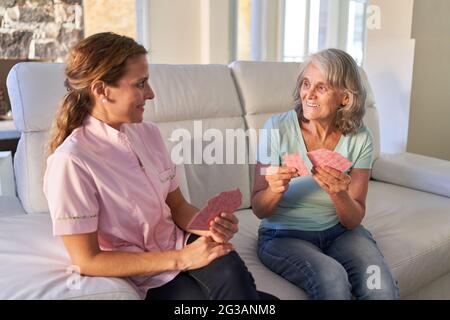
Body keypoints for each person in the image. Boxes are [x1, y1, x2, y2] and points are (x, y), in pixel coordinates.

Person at [43, 32, 273, 300]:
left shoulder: (148, 134)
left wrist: (209, 225)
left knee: (231, 273)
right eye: (140, 84)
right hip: (143, 271)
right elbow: (87, 260)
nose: (150, 94)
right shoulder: (72, 161)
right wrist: (181, 259)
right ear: (101, 90)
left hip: (179, 242)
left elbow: (177, 207)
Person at [251, 48, 399, 300]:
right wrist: (275, 189)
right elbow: (259, 209)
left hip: (341, 231)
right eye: (306, 84)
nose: (309, 94)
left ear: (344, 98)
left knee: (380, 287)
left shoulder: (360, 138)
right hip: (283, 235)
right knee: (332, 278)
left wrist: (339, 194)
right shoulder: (276, 129)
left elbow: (353, 220)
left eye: (322, 87)